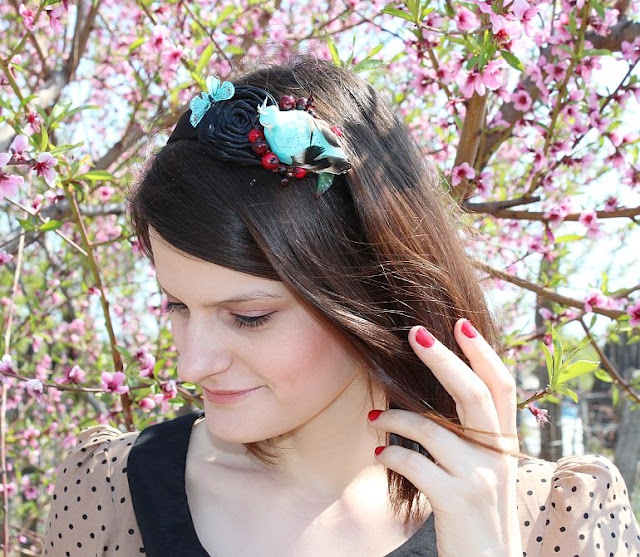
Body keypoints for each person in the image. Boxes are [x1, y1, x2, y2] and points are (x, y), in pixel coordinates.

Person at [43, 57, 640, 557]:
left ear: (374, 294)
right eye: (177, 305)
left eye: (249, 317)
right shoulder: (109, 491)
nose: (191, 365)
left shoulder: (562, 518)